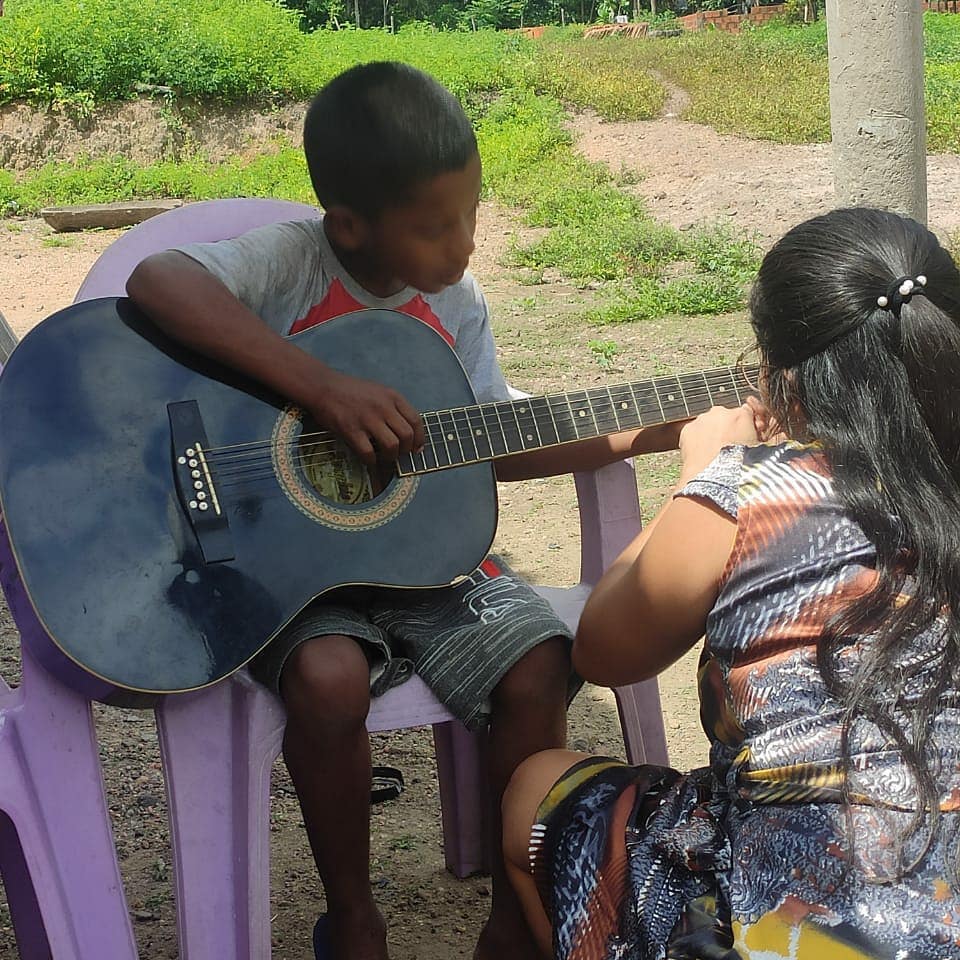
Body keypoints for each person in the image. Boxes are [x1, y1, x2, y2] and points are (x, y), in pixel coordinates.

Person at [126, 61, 681, 960]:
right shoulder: (290, 263)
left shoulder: (454, 301)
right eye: (435, 228)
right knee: (329, 680)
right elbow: (157, 281)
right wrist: (323, 389)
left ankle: (517, 911)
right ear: (351, 225)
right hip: (291, 570)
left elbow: (491, 437)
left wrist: (645, 432)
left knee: (541, 661)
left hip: (427, 556)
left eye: (470, 216)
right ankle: (353, 915)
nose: (463, 246)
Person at [501, 206, 960, 959]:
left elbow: (604, 653)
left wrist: (702, 479)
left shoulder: (753, 495)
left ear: (783, 373)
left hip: (799, 926)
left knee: (538, 790)